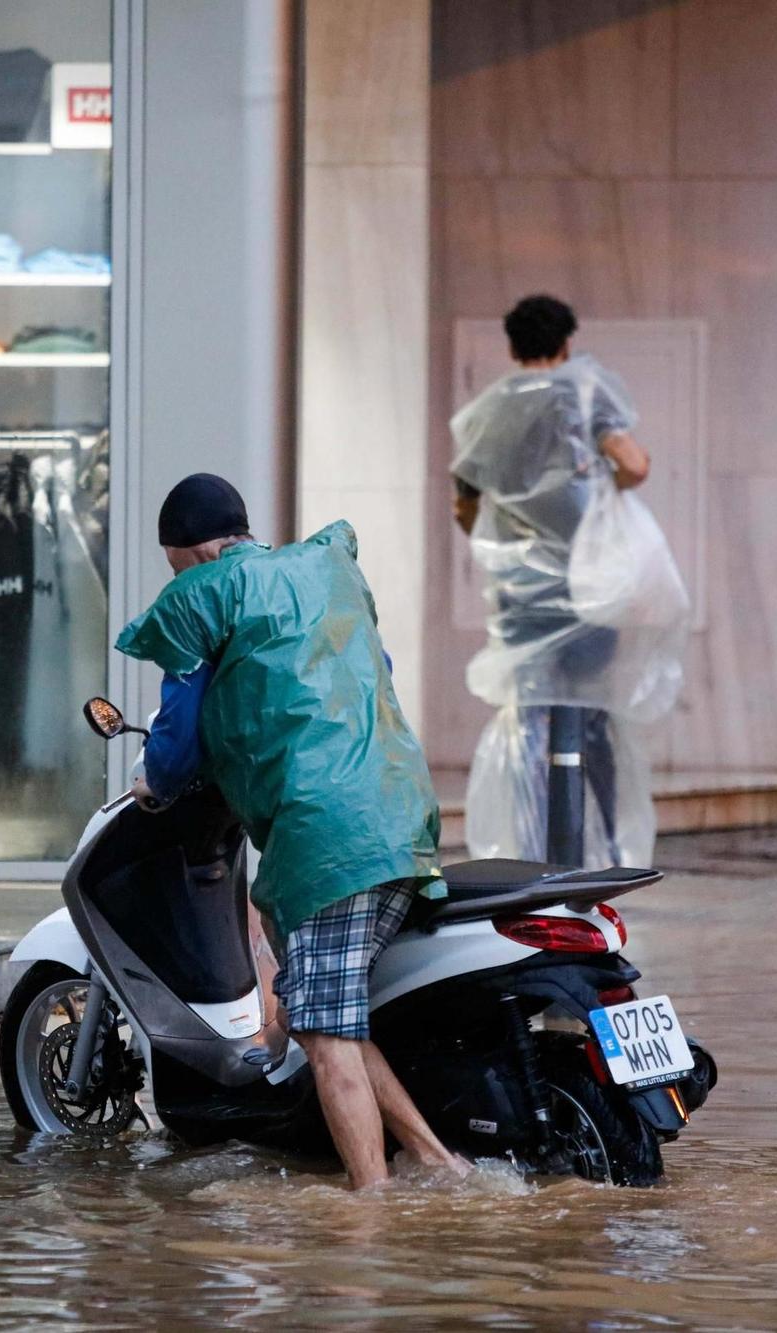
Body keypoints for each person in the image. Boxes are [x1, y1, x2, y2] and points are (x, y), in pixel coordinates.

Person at [116, 473, 466, 1190]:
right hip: (402, 815)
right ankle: (436, 1161)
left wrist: (154, 778)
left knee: (325, 1030)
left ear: (198, 554)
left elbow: (177, 746)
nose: (180, 583)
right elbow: (362, 676)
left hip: (327, 837)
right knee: (328, 1015)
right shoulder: (319, 575)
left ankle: (370, 1213)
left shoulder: (212, 596)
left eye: (177, 568)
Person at [450, 294, 675, 865]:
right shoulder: (583, 393)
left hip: (521, 599)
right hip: (587, 592)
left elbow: (467, 510)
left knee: (528, 725)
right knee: (590, 716)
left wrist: (512, 544)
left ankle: (529, 855)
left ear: (512, 346)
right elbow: (635, 465)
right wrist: (599, 496)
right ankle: (607, 851)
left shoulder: (489, 412)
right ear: (566, 342)